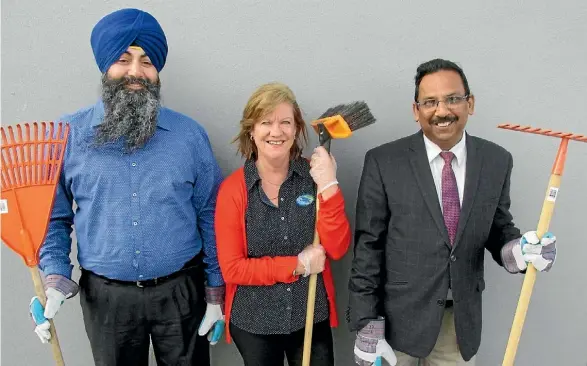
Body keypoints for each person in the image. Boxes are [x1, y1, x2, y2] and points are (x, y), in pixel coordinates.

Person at [27, 8, 225, 366]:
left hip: (182, 292)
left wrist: (215, 292)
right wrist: (55, 278)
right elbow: (52, 219)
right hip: (106, 300)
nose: (136, 71)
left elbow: (211, 215)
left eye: (147, 61)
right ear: (105, 66)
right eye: (123, 59)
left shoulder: (190, 136)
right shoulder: (65, 136)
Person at [349, 58, 558, 366]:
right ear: (416, 110)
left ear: (469, 103)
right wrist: (367, 324)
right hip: (395, 321)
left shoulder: (496, 161)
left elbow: (498, 228)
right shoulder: (384, 162)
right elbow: (368, 247)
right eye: (430, 102)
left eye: (452, 99)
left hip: (458, 322)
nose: (442, 111)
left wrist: (522, 251)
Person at [214, 82, 351, 366]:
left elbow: (337, 249)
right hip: (255, 323)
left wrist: (329, 185)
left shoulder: (314, 179)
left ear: (297, 129)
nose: (276, 132)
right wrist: (297, 265)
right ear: (251, 131)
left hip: (310, 316)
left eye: (285, 122)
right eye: (266, 122)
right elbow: (233, 268)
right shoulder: (233, 191)